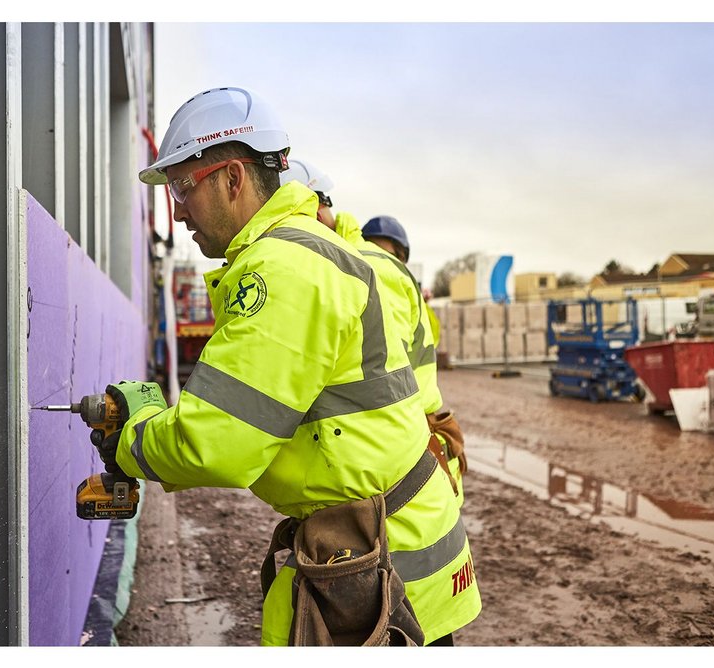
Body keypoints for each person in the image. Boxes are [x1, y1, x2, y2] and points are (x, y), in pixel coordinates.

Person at [99, 86, 478, 646]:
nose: (177, 213)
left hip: (384, 572)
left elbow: (219, 442)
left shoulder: (282, 269)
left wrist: (130, 442)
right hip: (397, 550)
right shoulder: (306, 254)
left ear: (232, 178)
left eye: (183, 187)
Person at [281, 161, 479, 644]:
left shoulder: (359, 268)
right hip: (416, 456)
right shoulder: (366, 265)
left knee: (413, 618)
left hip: (400, 484)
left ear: (323, 209)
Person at [361, 215, 470, 507]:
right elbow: (430, 339)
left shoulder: (363, 268)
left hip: (394, 426)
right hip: (422, 422)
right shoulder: (400, 279)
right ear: (402, 253)